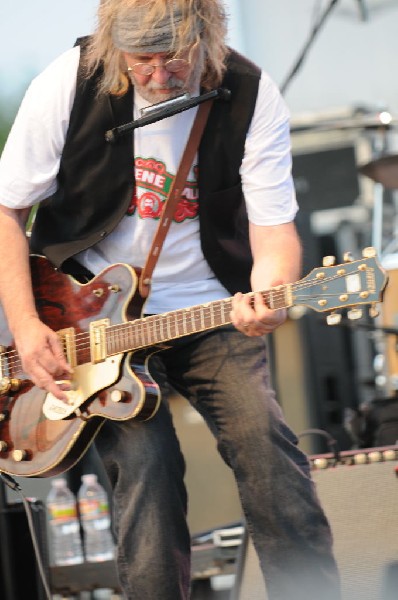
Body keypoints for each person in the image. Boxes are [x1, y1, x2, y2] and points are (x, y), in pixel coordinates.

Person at [0, 1, 341, 598]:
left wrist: (271, 291)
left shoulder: (251, 91)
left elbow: (273, 227)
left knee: (268, 452)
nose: (159, 76)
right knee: (146, 474)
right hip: (88, 315)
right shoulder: (68, 81)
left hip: (210, 308)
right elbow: (6, 208)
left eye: (174, 57)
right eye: (141, 61)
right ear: (114, 50)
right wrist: (26, 326)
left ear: (208, 36)